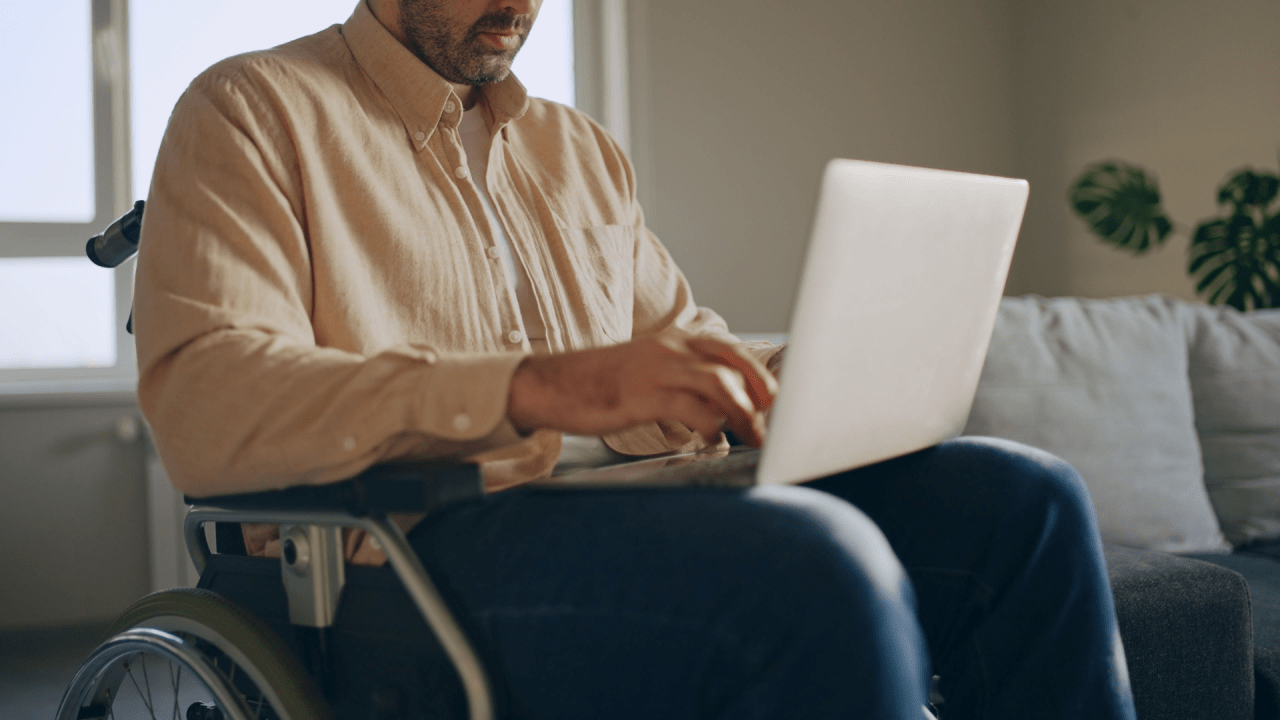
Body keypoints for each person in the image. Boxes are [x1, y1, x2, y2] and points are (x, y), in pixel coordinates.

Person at [133, 0, 1138, 717]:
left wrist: (791, 371)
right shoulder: (251, 108)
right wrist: (538, 386)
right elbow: (211, 399)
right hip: (412, 544)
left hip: (638, 499)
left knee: (1025, 500)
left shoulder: (577, 150)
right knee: (807, 563)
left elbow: (674, 346)